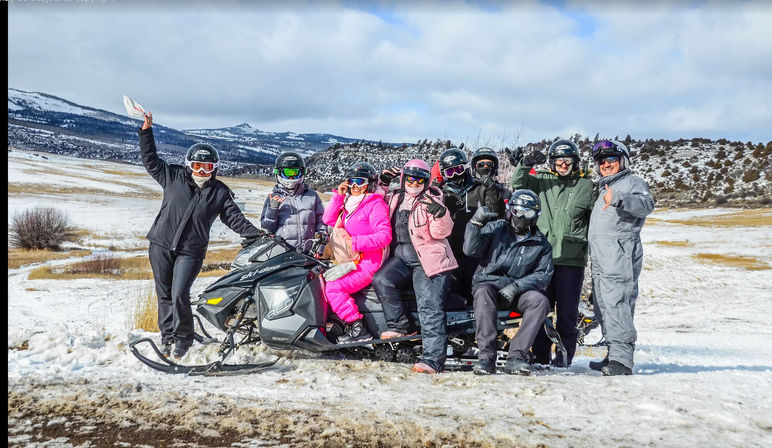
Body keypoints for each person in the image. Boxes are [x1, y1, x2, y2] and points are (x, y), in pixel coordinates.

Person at [138, 112, 261, 359]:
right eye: (196, 165)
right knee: (163, 294)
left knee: (179, 293)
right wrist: (146, 132)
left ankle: (183, 338)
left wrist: (257, 235)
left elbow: (234, 218)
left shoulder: (220, 193)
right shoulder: (172, 176)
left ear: (214, 168)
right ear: (189, 165)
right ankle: (167, 336)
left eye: (207, 167)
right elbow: (150, 160)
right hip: (160, 245)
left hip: (191, 252)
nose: (201, 170)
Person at [508, 139, 595, 367]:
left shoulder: (586, 186)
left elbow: (594, 219)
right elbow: (517, 182)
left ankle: (564, 359)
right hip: (541, 259)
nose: (563, 165)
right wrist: (525, 163)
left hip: (571, 259)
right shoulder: (541, 181)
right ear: (552, 162)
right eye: (558, 161)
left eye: (567, 161)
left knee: (566, 314)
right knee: (540, 310)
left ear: (575, 162)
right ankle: (540, 357)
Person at [372, 159, 457, 374]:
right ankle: (400, 326)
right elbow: (376, 200)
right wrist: (382, 182)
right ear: (403, 179)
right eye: (410, 178)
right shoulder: (396, 198)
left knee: (429, 306)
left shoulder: (431, 199)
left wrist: (441, 214)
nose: (414, 182)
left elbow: (442, 233)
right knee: (382, 280)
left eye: (419, 179)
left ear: (427, 181)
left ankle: (433, 359)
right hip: (400, 258)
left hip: (427, 259)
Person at [464, 190, 554, 376]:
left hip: (518, 292)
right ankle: (486, 357)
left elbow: (543, 274)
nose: (520, 217)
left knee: (540, 301)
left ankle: (517, 356)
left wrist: (517, 287)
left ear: (535, 216)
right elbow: (470, 250)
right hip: (489, 285)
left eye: (527, 213)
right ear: (510, 210)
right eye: (517, 211)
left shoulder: (541, 244)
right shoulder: (495, 229)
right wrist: (475, 224)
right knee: (483, 293)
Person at [587, 140, 654, 376]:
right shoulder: (604, 187)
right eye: (602, 161)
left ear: (623, 161)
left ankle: (623, 361)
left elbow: (647, 204)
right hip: (601, 256)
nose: (606, 164)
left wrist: (618, 198)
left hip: (620, 254)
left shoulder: (631, 183)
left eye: (611, 160)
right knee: (603, 305)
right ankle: (613, 354)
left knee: (617, 303)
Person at [321, 162, 391, 343]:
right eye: (351, 182)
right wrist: (338, 196)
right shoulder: (349, 203)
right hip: (352, 259)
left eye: (359, 182)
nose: (354, 187)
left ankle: (357, 327)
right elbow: (328, 219)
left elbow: (385, 236)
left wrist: (356, 242)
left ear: (370, 183)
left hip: (368, 262)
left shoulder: (375, 205)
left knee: (334, 287)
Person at [438, 147, 507, 299]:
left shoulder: (479, 188)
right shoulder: (442, 193)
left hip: (476, 251)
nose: (455, 175)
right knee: (453, 294)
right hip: (451, 251)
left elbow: (494, 213)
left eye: (458, 169)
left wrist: (491, 189)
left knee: (474, 291)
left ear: (466, 167)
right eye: (450, 172)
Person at [260, 151, 326, 252]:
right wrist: (272, 209)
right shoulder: (273, 198)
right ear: (278, 173)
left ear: (302, 174)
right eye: (287, 173)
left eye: (295, 173)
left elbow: (322, 222)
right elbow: (266, 229)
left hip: (308, 253)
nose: (291, 178)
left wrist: (319, 248)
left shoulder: (312, 196)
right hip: (281, 253)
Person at [467, 147, 507, 217]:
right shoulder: (468, 190)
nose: (485, 167)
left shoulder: (504, 192)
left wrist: (492, 189)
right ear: (474, 168)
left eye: (489, 164)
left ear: (495, 168)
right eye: (481, 164)